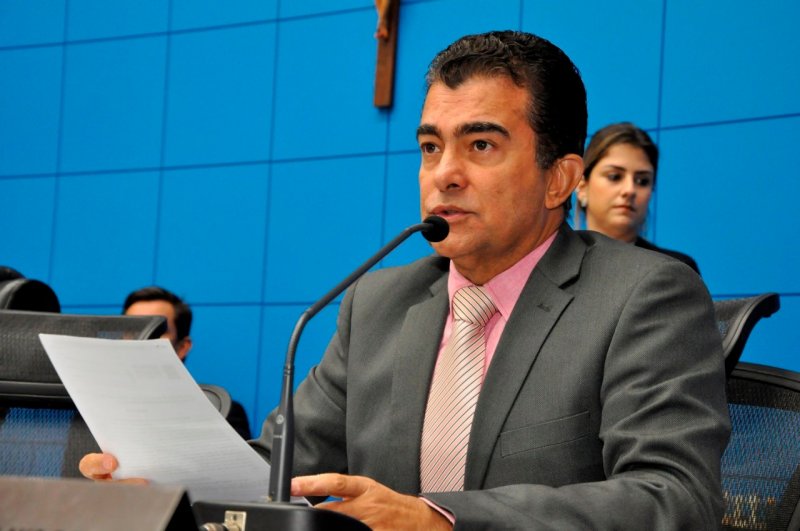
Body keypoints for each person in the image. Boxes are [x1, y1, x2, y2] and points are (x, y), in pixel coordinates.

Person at [81, 31, 729, 530]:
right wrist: (165, 482)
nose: (443, 174)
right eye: (429, 147)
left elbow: (674, 498)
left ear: (559, 179)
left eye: (480, 146)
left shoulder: (644, 296)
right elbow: (274, 469)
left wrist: (439, 519)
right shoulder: (378, 303)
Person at [123, 286, 252, 440]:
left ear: (182, 347)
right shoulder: (97, 407)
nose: (141, 339)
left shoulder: (220, 411)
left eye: (155, 331)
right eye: (132, 330)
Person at [575, 122, 700, 273]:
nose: (630, 190)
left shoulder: (677, 270)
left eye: (642, 181)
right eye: (614, 176)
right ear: (582, 186)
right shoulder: (553, 262)